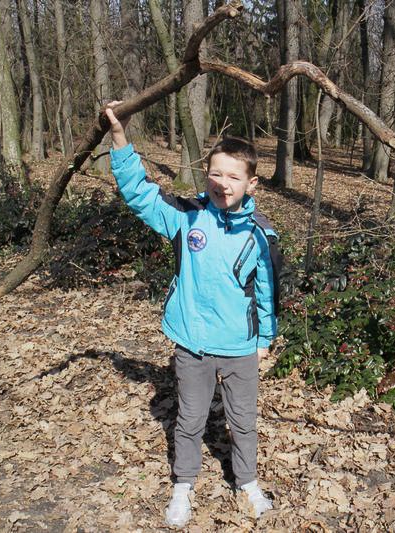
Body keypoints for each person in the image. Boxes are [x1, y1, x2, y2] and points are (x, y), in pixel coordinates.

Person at [104, 103, 281, 527]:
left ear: (252, 183)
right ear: (206, 174)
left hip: (239, 348)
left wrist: (263, 341)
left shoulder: (261, 234)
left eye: (234, 177)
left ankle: (247, 482)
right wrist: (120, 138)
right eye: (216, 174)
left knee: (243, 422)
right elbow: (141, 195)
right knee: (190, 419)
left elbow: (268, 292)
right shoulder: (187, 217)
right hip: (193, 344)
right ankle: (183, 486)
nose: (223, 183)